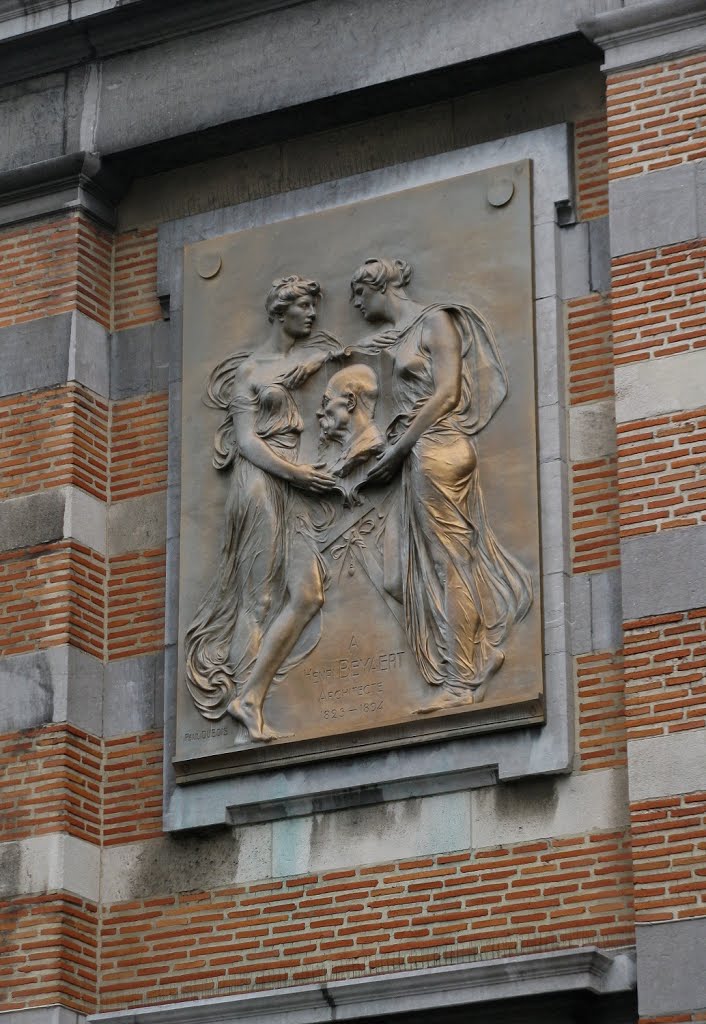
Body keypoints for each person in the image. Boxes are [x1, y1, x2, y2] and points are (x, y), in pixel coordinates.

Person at [349, 257, 532, 708]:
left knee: (447, 564)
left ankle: (460, 681)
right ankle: (479, 654)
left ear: (380, 287)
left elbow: (447, 393)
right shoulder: (399, 334)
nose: (353, 303)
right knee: (419, 570)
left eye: (359, 293)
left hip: (439, 450)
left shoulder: (437, 321)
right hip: (419, 453)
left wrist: (396, 452)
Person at [185, 275, 340, 741]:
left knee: (309, 594)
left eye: (315, 306)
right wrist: (297, 475)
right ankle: (244, 711)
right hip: (261, 483)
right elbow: (247, 443)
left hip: (292, 480)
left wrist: (322, 358)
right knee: (259, 598)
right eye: (304, 307)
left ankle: (248, 696)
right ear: (280, 311)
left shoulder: (301, 359)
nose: (312, 314)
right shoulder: (248, 371)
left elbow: (327, 357)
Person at [316, 363, 385, 477]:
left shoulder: (370, 446)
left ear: (350, 402)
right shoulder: (346, 453)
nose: (319, 412)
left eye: (326, 402)